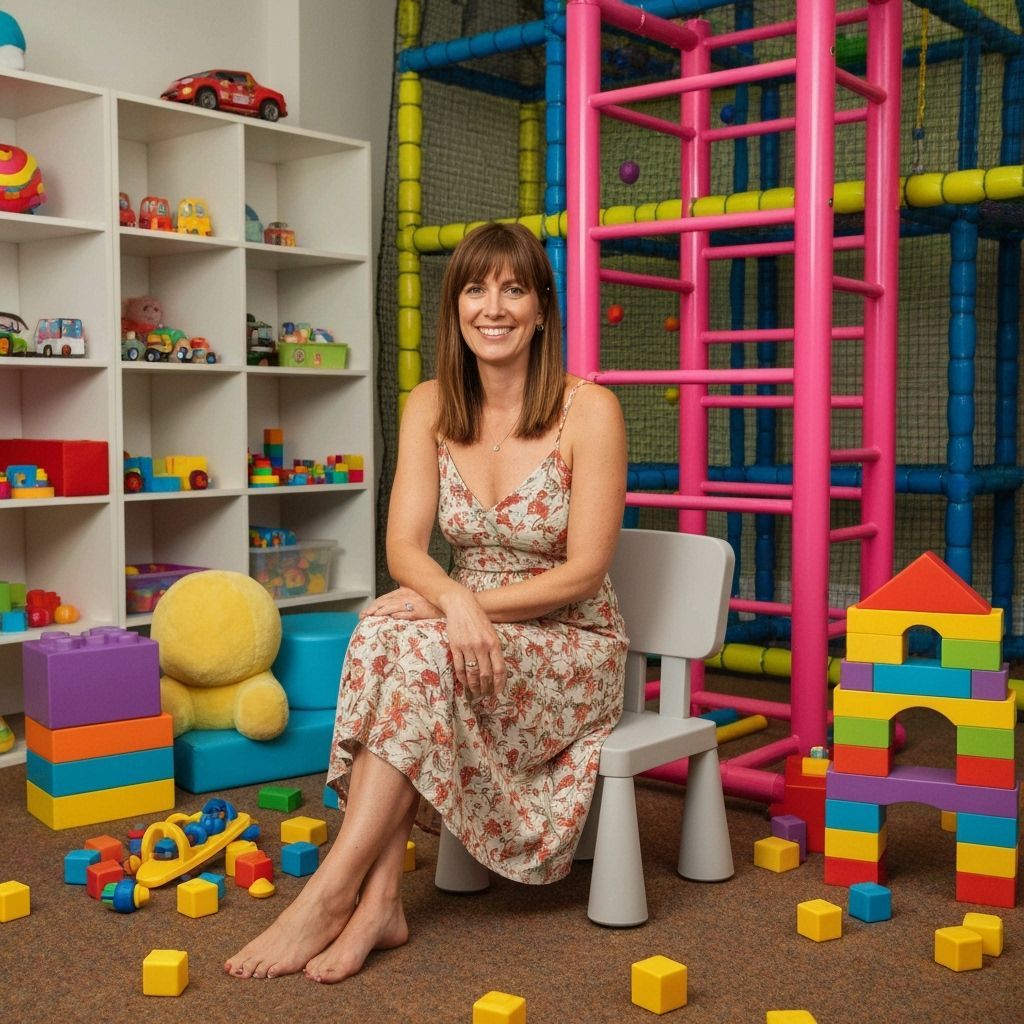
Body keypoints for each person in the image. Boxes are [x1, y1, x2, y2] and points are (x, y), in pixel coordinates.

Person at [225, 221, 628, 983]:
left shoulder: (590, 410)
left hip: (571, 640)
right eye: (476, 288)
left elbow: (584, 572)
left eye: (514, 289)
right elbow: (405, 548)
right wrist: (453, 600)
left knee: (414, 645)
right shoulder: (429, 404)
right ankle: (378, 902)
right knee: (380, 631)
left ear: (543, 308)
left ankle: (331, 894)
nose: (493, 307)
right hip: (463, 624)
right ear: (456, 307)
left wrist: (465, 607)